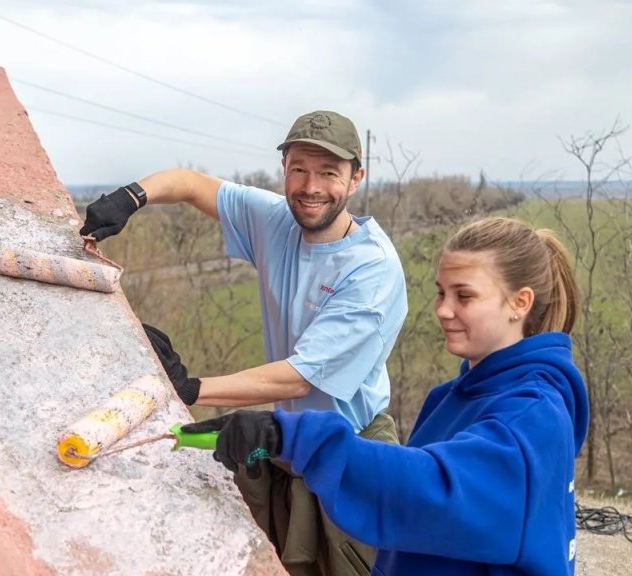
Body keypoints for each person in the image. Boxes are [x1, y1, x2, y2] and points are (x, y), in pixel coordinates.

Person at [79, 110, 408, 575]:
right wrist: (132, 197)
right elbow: (191, 183)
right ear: (284, 169)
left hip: (348, 455)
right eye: (299, 169)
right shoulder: (278, 221)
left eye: (329, 173)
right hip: (284, 444)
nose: (311, 186)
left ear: (356, 178)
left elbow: (300, 378)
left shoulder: (370, 271)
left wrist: (190, 388)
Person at [184, 216, 591, 576]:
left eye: (464, 296)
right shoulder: (454, 396)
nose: (443, 310)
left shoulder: (532, 417)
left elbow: (431, 490)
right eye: (441, 292)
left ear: (520, 303)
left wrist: (293, 436)